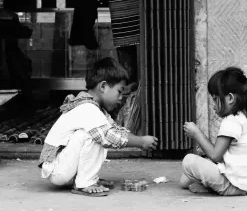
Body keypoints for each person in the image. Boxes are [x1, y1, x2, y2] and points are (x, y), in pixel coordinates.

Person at [38, 57, 158, 197]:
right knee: (95, 135)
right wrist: (140, 142)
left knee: (100, 133)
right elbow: (108, 135)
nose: (120, 98)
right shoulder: (88, 108)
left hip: (63, 166)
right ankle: (84, 183)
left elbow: (116, 130)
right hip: (57, 169)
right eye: (119, 91)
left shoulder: (97, 109)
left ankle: (85, 178)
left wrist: (139, 139)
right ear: (103, 87)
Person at [180, 66, 247, 196]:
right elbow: (221, 157)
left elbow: (215, 155)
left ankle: (214, 187)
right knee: (184, 180)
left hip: (233, 185)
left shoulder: (231, 121)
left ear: (230, 98)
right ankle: (209, 185)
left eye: (215, 99)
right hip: (243, 183)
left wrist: (196, 133)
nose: (213, 104)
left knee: (189, 161)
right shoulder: (241, 118)